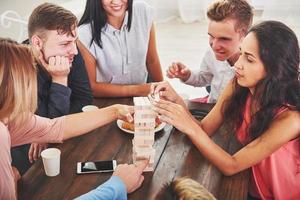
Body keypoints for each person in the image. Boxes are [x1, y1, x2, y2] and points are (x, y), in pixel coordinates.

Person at [151, 21, 300, 199]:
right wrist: (177, 100)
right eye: (241, 53)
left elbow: (232, 165)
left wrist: (188, 125)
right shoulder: (239, 84)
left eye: (249, 59)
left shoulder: (290, 119)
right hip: (248, 182)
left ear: (274, 70)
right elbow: (204, 129)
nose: (237, 64)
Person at [0, 38, 147, 200]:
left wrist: (115, 110)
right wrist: (117, 186)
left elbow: (54, 127)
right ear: (14, 86)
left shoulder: (8, 119)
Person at [11, 3, 93, 176]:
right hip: (22, 154)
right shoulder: (18, 68)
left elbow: (84, 100)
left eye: (74, 41)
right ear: (37, 42)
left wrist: (43, 131)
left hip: (62, 143)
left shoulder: (69, 55)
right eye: (65, 43)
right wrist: (60, 79)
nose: (74, 51)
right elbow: (46, 129)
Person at [167, 0, 253, 103]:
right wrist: (187, 75)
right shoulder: (211, 53)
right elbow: (204, 77)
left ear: (244, 35)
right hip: (211, 108)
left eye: (224, 39)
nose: (215, 46)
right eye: (211, 36)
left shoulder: (253, 65)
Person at [77, 0, 163, 97]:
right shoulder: (84, 33)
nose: (116, 1)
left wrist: (162, 91)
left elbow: (152, 60)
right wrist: (138, 90)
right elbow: (92, 87)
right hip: (107, 100)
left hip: (143, 96)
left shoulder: (143, 11)